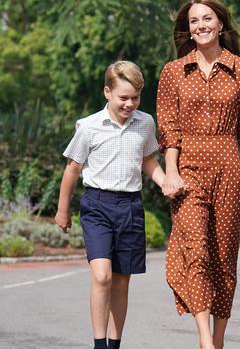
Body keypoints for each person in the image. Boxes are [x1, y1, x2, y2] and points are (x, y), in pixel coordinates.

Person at [156, 0, 240, 349]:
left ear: (220, 23)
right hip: (187, 169)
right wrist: (170, 173)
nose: (201, 26)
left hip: (227, 170)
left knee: (223, 256)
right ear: (188, 30)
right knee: (197, 250)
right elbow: (169, 128)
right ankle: (205, 337)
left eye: (207, 19)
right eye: (194, 21)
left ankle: (217, 340)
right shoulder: (173, 72)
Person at [54, 61, 165, 349]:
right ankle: (99, 344)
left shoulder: (146, 122)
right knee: (102, 276)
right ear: (107, 92)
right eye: (123, 97)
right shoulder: (89, 126)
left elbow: (147, 160)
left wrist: (165, 182)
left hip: (130, 206)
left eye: (135, 98)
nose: (130, 104)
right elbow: (72, 170)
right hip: (97, 206)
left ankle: (115, 344)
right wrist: (63, 209)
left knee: (120, 281)